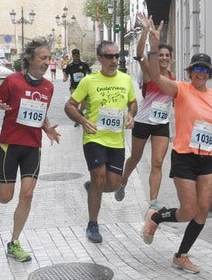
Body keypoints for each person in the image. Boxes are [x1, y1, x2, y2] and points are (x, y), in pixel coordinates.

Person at [138, 18, 212, 274]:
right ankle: (157, 217)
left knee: (202, 211)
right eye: (196, 68)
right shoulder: (180, 89)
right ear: (190, 72)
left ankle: (181, 255)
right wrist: (154, 45)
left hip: (207, 159)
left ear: (210, 74)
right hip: (184, 158)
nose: (200, 73)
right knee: (188, 210)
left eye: (205, 69)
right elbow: (155, 75)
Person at [0, 39, 61, 262]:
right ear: (30, 59)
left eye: (48, 58)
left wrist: (48, 128)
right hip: (10, 144)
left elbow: (39, 112)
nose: (46, 62)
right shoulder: (13, 81)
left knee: (28, 194)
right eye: (42, 58)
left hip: (33, 146)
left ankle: (14, 242)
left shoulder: (48, 87)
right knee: (6, 196)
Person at [64, 41, 137, 244]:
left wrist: (131, 115)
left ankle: (92, 188)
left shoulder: (125, 79)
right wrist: (82, 120)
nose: (114, 60)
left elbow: (133, 102)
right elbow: (70, 105)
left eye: (116, 56)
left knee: (113, 184)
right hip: (94, 137)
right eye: (109, 57)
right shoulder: (89, 81)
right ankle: (93, 224)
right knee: (99, 177)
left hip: (116, 140)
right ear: (100, 59)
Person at [117, 13, 175, 208]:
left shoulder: (173, 78)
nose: (164, 58)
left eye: (167, 56)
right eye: (161, 55)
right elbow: (141, 54)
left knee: (157, 162)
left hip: (161, 124)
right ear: (156, 57)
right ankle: (123, 181)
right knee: (135, 157)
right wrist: (147, 35)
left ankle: (153, 202)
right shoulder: (151, 74)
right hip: (143, 122)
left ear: (171, 59)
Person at [62, 48, 92, 124]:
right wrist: (65, 78)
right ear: (73, 56)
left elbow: (89, 72)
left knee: (84, 104)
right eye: (75, 55)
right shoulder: (70, 66)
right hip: (74, 87)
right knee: (74, 103)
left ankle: (79, 112)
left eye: (78, 55)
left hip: (83, 87)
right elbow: (66, 74)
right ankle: (77, 119)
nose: (76, 57)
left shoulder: (84, 64)